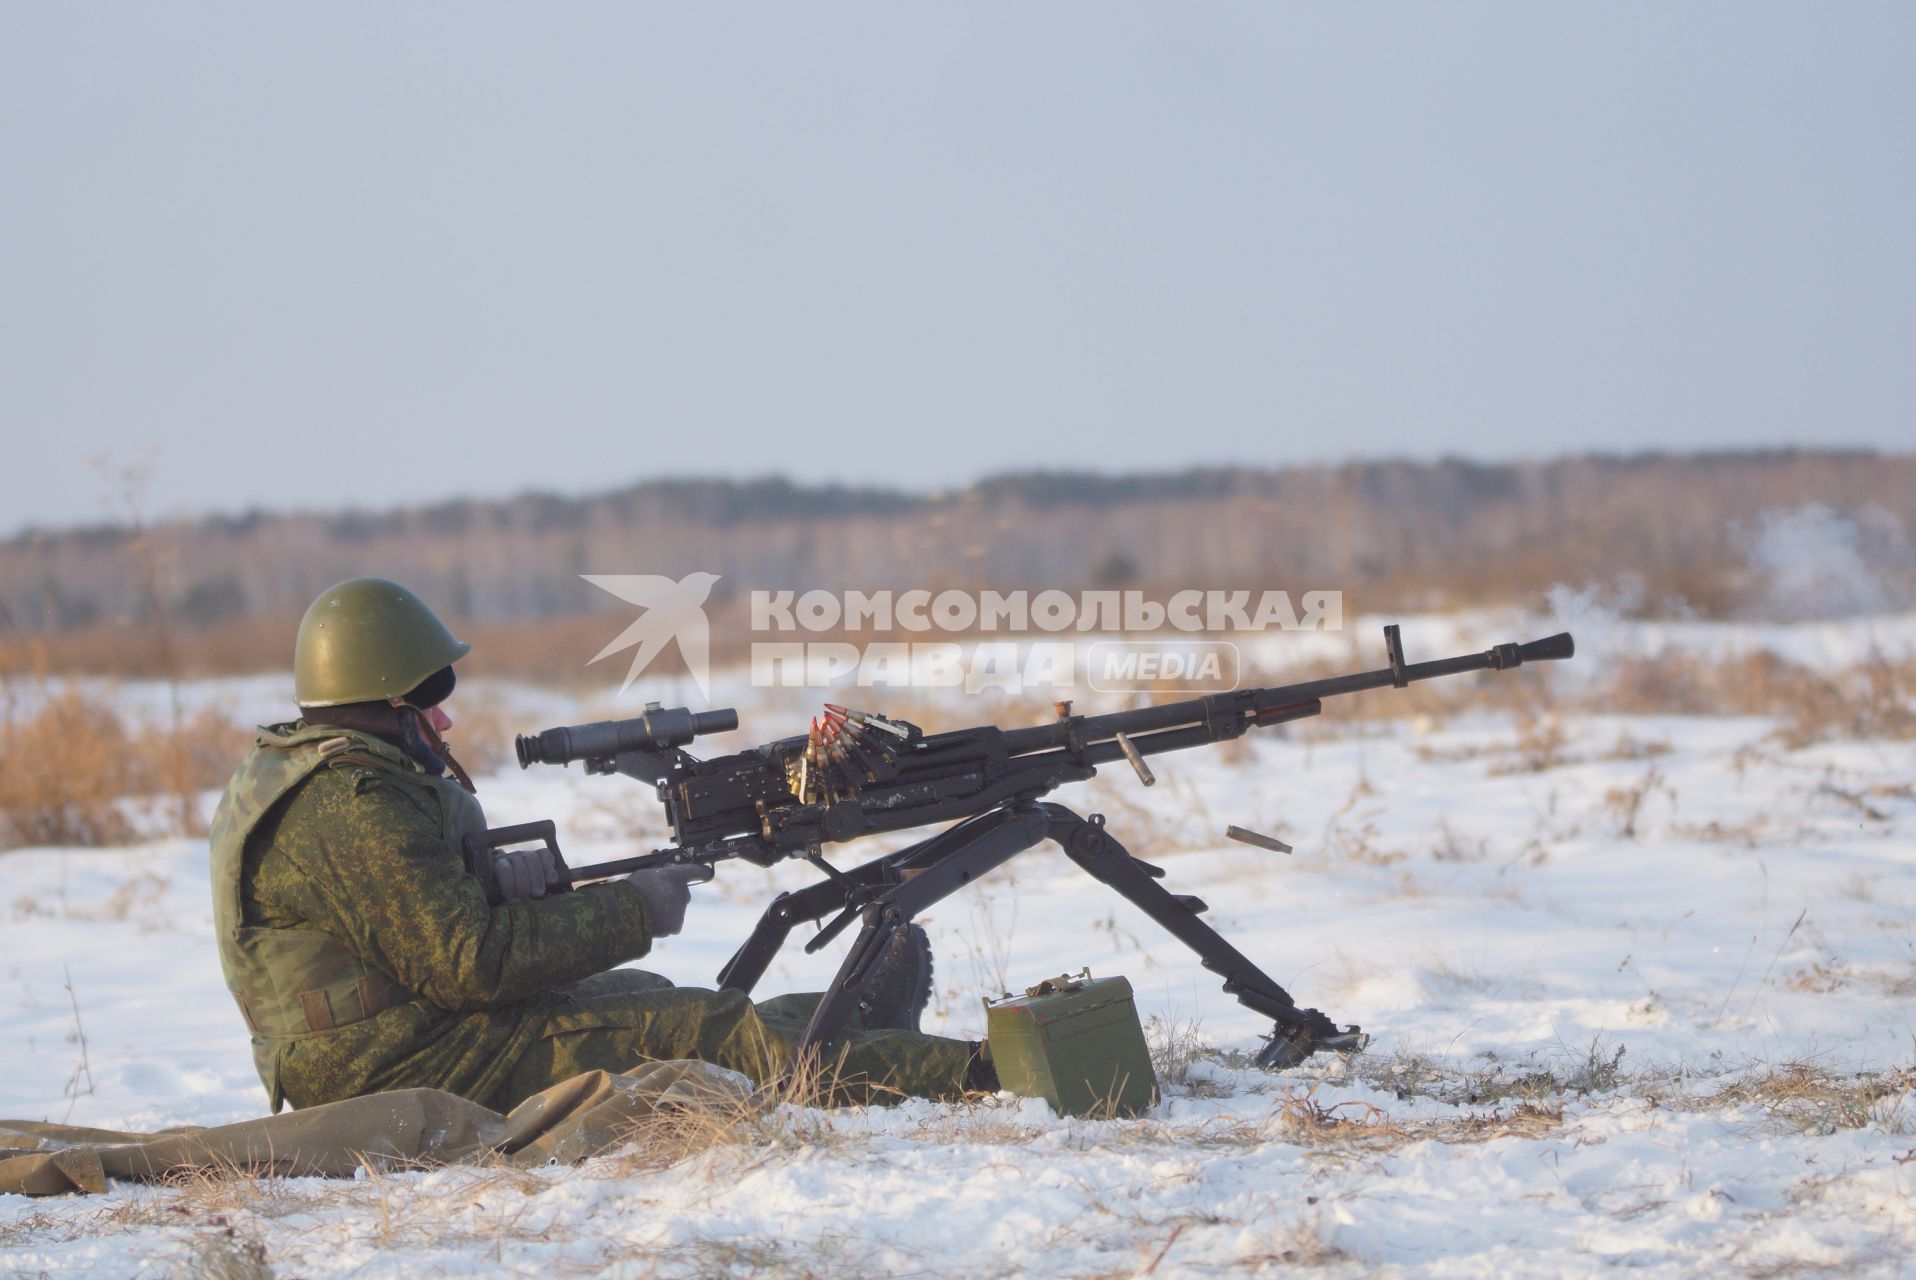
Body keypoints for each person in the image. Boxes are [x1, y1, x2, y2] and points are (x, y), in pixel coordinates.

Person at [209, 577, 993, 1113]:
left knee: (649, 997)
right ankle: (976, 1074)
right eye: (426, 701)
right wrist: (633, 908)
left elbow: (396, 924)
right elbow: (470, 967)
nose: (442, 721)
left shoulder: (297, 770)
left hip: (384, 1043)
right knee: (697, 1036)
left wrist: (501, 886)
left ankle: (854, 1022)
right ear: (376, 701)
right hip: (400, 1064)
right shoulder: (356, 803)